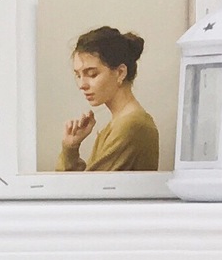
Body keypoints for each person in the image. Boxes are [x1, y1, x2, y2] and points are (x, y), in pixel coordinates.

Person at [59, 25, 161, 172]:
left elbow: (87, 185)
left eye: (92, 74)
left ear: (120, 73)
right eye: (78, 75)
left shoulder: (132, 126)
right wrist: (70, 148)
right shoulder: (120, 123)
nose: (82, 85)